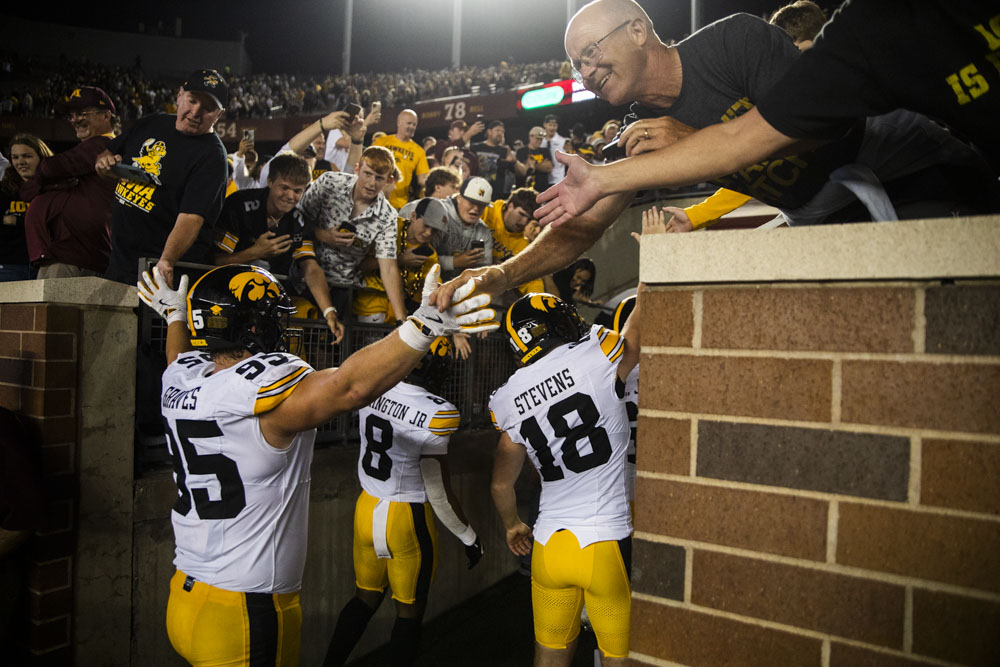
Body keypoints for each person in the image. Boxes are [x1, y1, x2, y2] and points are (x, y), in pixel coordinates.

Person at [136, 260, 498, 667]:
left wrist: (174, 316)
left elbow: (177, 355)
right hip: (243, 610)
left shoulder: (182, 378)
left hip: (184, 596)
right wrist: (423, 325)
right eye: (269, 317)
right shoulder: (266, 398)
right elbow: (350, 386)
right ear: (253, 326)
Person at [534, 0, 1000, 227]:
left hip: (906, 171)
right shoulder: (866, 31)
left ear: (637, 31)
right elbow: (590, 218)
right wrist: (498, 274)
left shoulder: (732, 43)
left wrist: (689, 139)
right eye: (578, 65)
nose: (587, 71)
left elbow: (807, 133)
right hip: (822, 213)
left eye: (591, 52)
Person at [490, 291, 640, 666]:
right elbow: (636, 337)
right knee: (616, 657)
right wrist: (655, 267)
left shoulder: (508, 398)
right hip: (604, 542)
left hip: (548, 546)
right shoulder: (598, 354)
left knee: (549, 654)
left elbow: (500, 484)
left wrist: (512, 526)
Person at [322, 336, 483, 667]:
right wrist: (469, 537)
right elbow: (437, 490)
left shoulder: (372, 388)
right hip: (406, 518)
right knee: (408, 611)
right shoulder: (437, 412)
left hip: (366, 508)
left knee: (365, 597)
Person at [97, 69, 229, 286]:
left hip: (160, 271)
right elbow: (109, 152)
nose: (196, 112)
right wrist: (103, 162)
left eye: (208, 108)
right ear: (179, 96)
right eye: (192, 100)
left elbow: (191, 218)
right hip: (120, 261)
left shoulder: (212, 157)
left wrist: (167, 261)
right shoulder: (154, 122)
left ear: (219, 114)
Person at [212, 153, 345, 342]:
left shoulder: (299, 221)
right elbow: (213, 261)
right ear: (270, 181)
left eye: (298, 191)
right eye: (285, 187)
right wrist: (255, 253)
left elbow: (311, 268)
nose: (290, 196)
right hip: (225, 300)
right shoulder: (238, 205)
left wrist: (330, 312)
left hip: (269, 306)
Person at [297, 145, 407, 328]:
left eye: (379, 178)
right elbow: (296, 220)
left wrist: (402, 319)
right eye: (368, 174)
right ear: (357, 169)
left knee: (323, 346)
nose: (372, 183)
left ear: (388, 179)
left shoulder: (388, 216)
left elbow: (388, 268)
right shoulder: (329, 182)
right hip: (298, 276)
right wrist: (323, 235)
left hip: (339, 288)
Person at [23, 86, 117, 278]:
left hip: (74, 256)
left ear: (106, 115)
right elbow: (26, 191)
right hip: (68, 253)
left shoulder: (105, 145)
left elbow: (52, 167)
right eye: (71, 115)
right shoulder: (90, 150)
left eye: (82, 113)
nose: (75, 120)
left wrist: (43, 175)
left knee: (54, 308)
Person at [352, 197, 443, 324]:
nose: (428, 233)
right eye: (426, 225)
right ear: (413, 216)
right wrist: (400, 260)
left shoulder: (430, 254)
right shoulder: (389, 227)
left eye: (434, 230)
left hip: (403, 312)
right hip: (372, 304)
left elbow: (436, 287)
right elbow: (358, 263)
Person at [1, 134, 51, 282]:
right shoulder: (4, 190)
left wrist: (13, 221)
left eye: (27, 156)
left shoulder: (54, 189)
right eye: (15, 157)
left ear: (41, 156)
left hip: (46, 265)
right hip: (9, 264)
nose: (20, 162)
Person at [426, 177, 494, 279]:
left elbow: (483, 271)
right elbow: (422, 259)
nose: (476, 208)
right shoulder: (440, 214)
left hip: (460, 289)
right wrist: (455, 262)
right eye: (472, 202)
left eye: (481, 205)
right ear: (459, 198)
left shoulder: (483, 232)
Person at [480, 187, 544, 295]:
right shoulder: (486, 211)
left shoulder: (523, 244)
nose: (523, 222)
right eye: (521, 214)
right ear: (510, 206)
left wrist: (537, 301)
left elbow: (532, 280)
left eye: (528, 219)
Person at [375, 109, 430, 209]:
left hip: (399, 205)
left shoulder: (419, 151)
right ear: (399, 122)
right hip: (375, 196)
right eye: (409, 123)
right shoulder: (382, 142)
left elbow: (422, 180)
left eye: (414, 125)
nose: (412, 127)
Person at [516, 127, 554, 192]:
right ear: (530, 137)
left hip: (542, 189)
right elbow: (522, 171)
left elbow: (549, 168)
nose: (539, 141)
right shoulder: (521, 151)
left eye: (541, 139)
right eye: (537, 138)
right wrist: (541, 165)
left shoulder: (545, 151)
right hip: (525, 189)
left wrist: (533, 165)